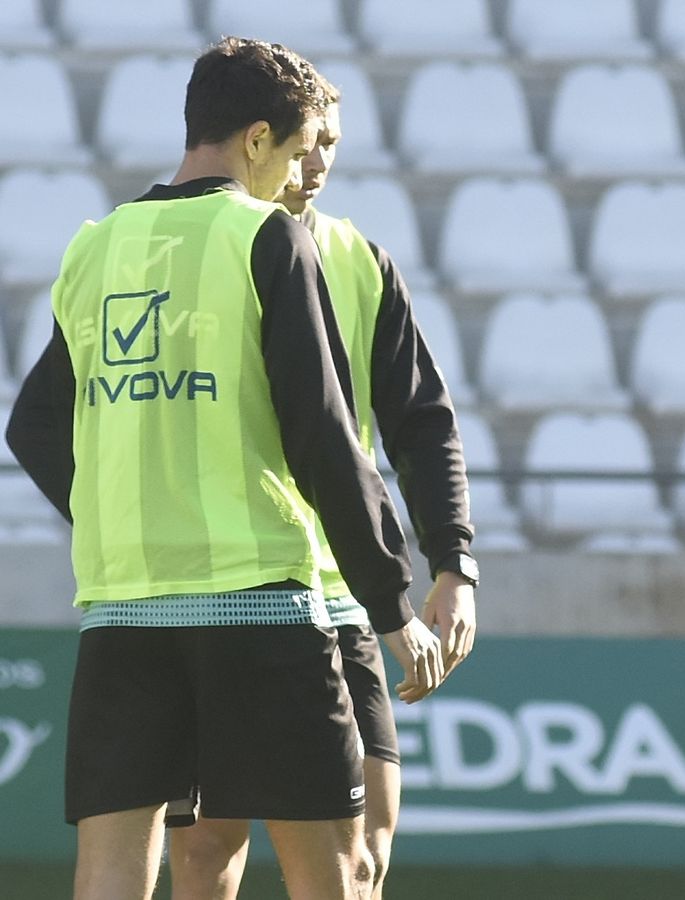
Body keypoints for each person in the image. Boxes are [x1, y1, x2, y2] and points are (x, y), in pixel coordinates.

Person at [4, 37, 444, 900]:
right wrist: (394, 605)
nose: (299, 174)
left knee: (111, 874)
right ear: (254, 140)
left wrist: (118, 513)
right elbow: (323, 434)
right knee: (333, 880)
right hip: (262, 605)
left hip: (124, 606)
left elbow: (33, 425)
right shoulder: (268, 236)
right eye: (296, 149)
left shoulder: (98, 246)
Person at [164, 75, 479, 900]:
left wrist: (454, 565)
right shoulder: (199, 248)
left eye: (332, 146)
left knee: (362, 858)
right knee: (205, 855)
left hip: (338, 595)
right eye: (309, 145)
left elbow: (422, 423)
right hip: (225, 587)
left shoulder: (360, 262)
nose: (319, 162)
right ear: (268, 141)